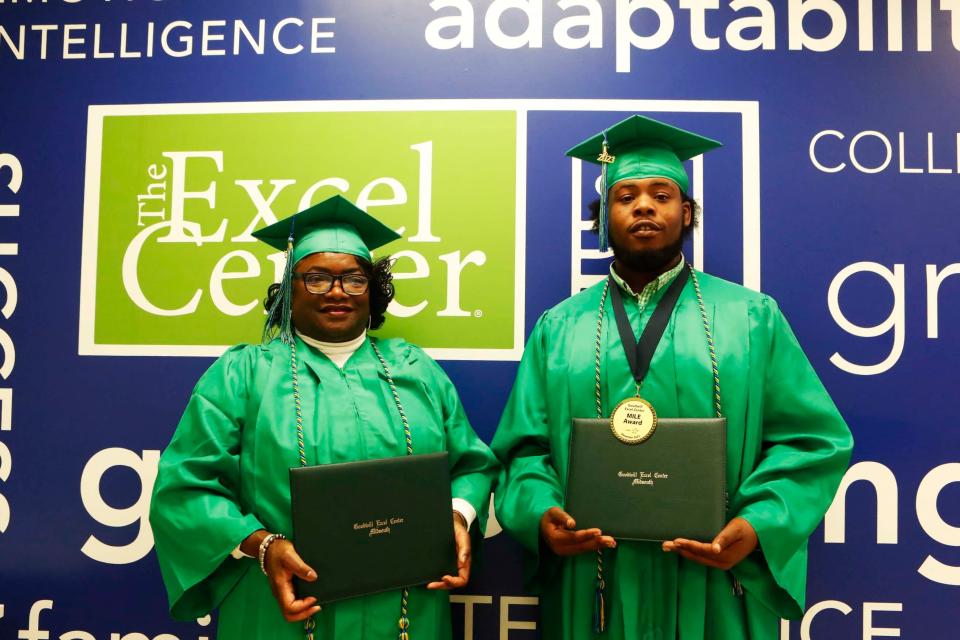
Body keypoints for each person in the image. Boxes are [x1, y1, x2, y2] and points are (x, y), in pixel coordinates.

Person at [490, 115, 853, 639]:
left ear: (685, 213)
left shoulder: (750, 318)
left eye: (661, 194)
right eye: (625, 196)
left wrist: (758, 526)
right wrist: (540, 513)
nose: (643, 206)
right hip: (595, 577)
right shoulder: (559, 327)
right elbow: (524, 450)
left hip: (713, 577)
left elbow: (811, 440)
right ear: (603, 218)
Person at [149, 195, 498, 640]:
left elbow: (471, 464)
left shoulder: (414, 369)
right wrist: (263, 546)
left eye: (354, 278)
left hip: (407, 609)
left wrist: (456, 516)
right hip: (282, 609)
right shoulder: (244, 375)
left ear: (373, 290)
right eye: (316, 278)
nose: (337, 291)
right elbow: (185, 489)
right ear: (287, 290)